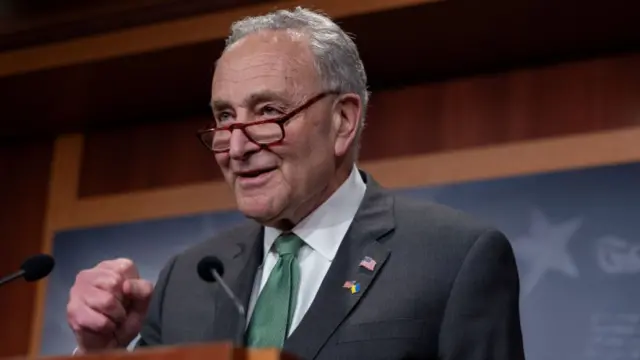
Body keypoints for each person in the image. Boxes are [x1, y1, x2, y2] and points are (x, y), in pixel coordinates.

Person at [66, 7, 525, 360]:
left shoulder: (454, 257)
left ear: (343, 121)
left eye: (268, 112)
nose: (236, 146)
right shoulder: (188, 278)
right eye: (225, 116)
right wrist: (99, 353)